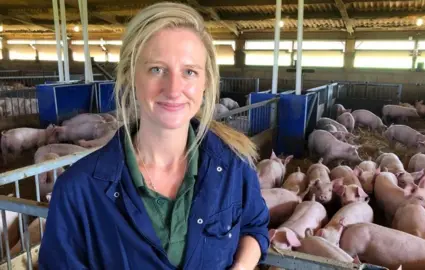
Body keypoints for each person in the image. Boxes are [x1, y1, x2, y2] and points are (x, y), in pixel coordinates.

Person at [38, 2, 270, 269]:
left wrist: (241, 267)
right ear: (131, 76)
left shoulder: (233, 165)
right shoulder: (77, 191)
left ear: (205, 83)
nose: (173, 89)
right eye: (157, 69)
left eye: (189, 72)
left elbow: (254, 226)